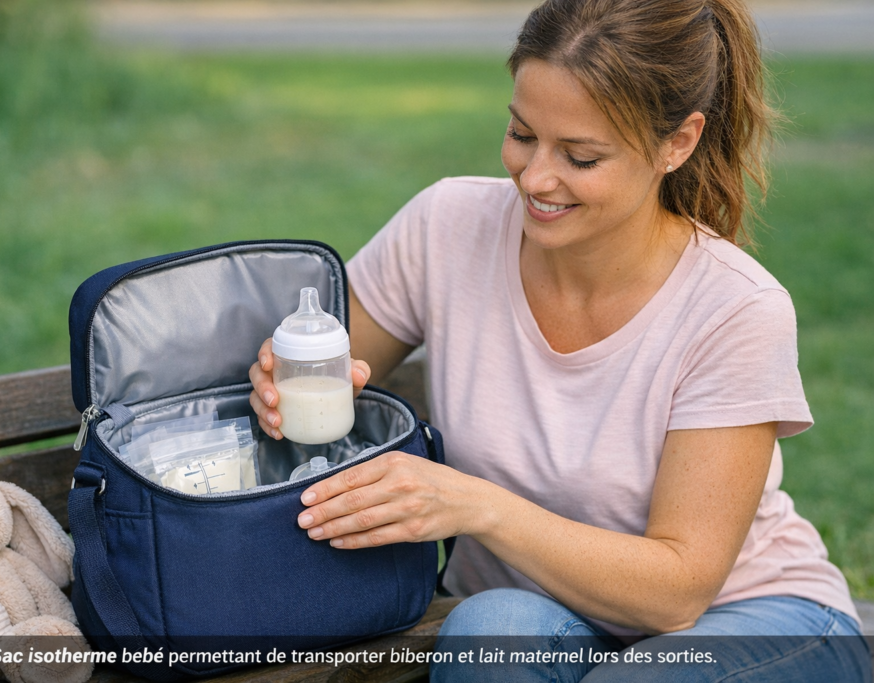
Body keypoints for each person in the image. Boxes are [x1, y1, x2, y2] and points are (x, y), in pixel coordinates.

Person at [249, 0, 871, 680]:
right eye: (522, 134)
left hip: (747, 615)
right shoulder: (447, 227)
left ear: (678, 143)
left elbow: (678, 592)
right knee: (490, 634)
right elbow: (322, 363)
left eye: (580, 156)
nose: (535, 178)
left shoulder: (734, 309)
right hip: (548, 612)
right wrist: (284, 381)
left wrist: (476, 505)